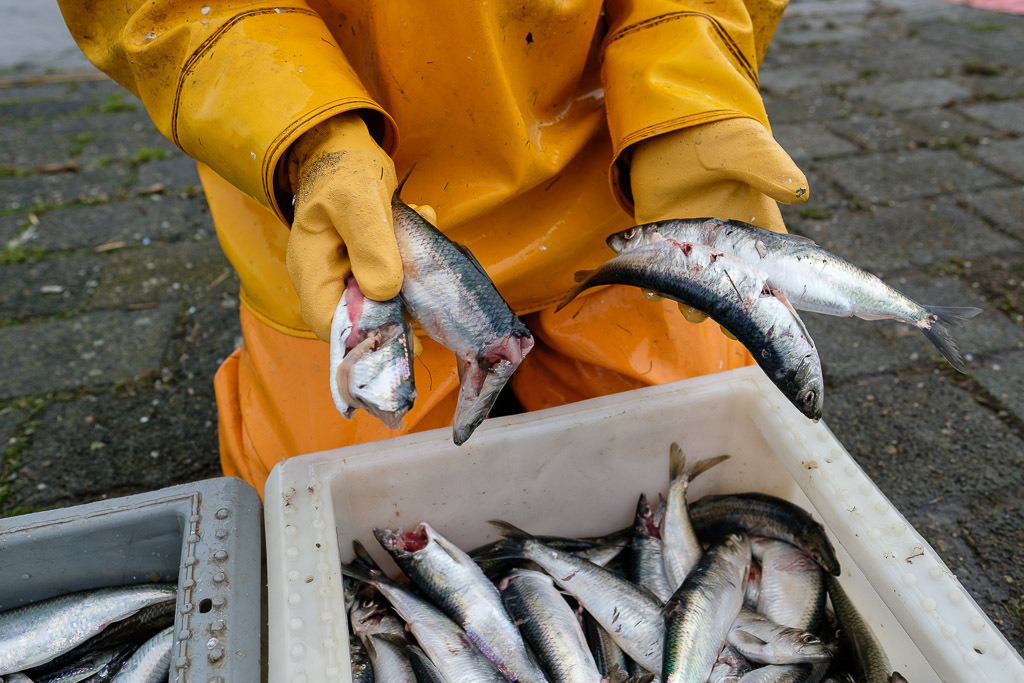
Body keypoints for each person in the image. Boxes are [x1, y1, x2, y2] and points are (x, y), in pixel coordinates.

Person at [58, 1, 807, 495]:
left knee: (712, 461)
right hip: (350, 209)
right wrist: (303, 139)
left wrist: (688, 88)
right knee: (334, 494)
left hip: (605, 186)